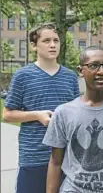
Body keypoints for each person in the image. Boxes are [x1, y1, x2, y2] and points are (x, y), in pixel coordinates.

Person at [43, 46, 103, 193]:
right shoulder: (64, 113)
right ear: (80, 70)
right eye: (94, 65)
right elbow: (56, 162)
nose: (101, 71)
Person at [3, 22, 80, 193]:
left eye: (56, 40)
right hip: (33, 158)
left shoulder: (70, 77)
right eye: (46, 41)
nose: (53, 45)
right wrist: (36, 115)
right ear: (33, 46)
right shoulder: (22, 76)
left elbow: (77, 114)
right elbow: (7, 114)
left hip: (65, 160)